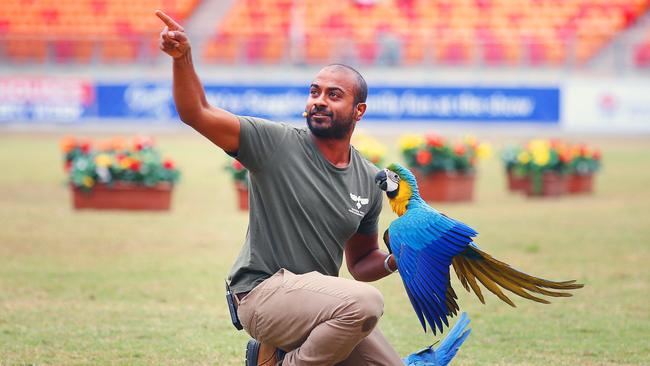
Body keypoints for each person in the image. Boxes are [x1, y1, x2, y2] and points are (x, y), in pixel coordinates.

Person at [155, 10, 402, 366]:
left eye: (334, 95)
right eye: (314, 92)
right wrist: (183, 60)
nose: (319, 100)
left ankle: (272, 358)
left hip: (320, 305)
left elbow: (361, 261)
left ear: (358, 111)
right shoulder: (275, 143)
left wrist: (399, 259)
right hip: (261, 293)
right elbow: (196, 112)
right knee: (367, 303)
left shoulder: (368, 177)